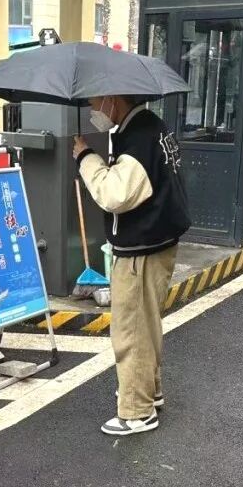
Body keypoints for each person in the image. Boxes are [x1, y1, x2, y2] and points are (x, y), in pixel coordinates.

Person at [73, 96, 191, 436]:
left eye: (96, 100)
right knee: (147, 323)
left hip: (142, 249)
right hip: (157, 243)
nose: (93, 108)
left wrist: (85, 156)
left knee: (132, 329)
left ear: (113, 98)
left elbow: (114, 195)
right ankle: (148, 392)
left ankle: (137, 412)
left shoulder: (138, 138)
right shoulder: (151, 127)